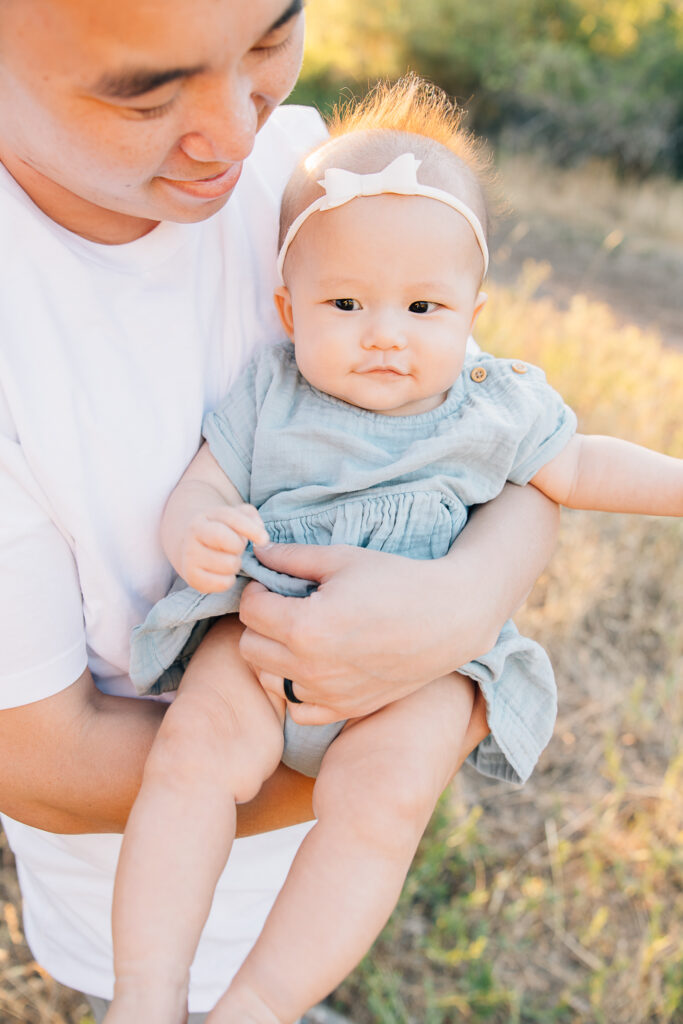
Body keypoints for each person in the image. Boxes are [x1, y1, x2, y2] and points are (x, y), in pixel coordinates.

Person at [0, 3, 561, 1021]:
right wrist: (376, 761)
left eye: (267, 39)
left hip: (317, 881)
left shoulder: (313, 177)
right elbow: (41, 762)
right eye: (145, 91)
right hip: (130, 881)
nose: (235, 126)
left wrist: (466, 600)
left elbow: (484, 438)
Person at [104, 77, 683, 1024]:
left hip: (416, 673)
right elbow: (206, 479)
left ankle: (256, 1004)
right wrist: (195, 528)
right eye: (346, 303)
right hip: (261, 639)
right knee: (189, 761)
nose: (384, 337)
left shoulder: (493, 402)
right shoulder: (271, 392)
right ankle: (146, 992)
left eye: (422, 309)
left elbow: (578, 467)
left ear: (471, 312)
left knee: (380, 811)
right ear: (289, 312)